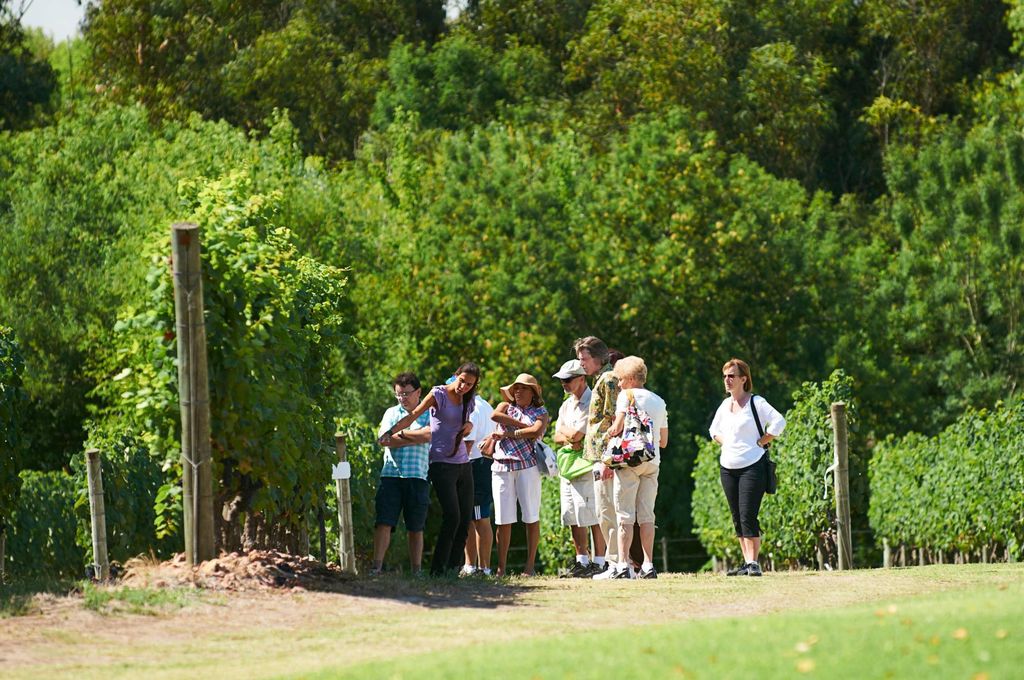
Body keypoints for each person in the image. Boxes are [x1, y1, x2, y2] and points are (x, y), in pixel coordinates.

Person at [379, 363, 480, 576]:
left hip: (462, 462)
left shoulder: (468, 399)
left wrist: (469, 426)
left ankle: (454, 568)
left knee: (465, 518)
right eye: (462, 381)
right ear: (456, 376)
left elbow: (467, 422)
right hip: (441, 463)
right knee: (452, 516)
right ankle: (437, 569)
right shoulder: (439, 394)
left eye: (469, 384)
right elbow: (413, 416)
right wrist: (390, 433)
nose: (464, 386)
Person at [709, 358, 786, 577]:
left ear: (744, 379)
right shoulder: (725, 405)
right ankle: (746, 562)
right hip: (728, 467)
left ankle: (754, 563)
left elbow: (779, 421)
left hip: (752, 465)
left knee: (748, 514)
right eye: (725, 376)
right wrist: (728, 443)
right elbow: (713, 430)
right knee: (736, 516)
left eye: (731, 376)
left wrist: (763, 441)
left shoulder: (756, 402)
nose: (727, 380)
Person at [604, 356, 668, 579]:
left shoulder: (626, 396)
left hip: (630, 462)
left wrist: (608, 432)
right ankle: (649, 564)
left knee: (624, 515)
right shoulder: (659, 401)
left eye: (621, 379)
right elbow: (663, 441)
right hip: (652, 462)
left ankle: (623, 565)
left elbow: (619, 426)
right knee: (647, 516)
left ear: (631, 379)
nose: (619, 384)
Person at [485, 373, 549, 577]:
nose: (518, 391)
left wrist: (509, 433)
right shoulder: (505, 406)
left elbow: (537, 431)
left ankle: (529, 567)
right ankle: (501, 568)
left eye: (523, 388)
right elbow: (495, 416)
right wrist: (524, 427)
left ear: (533, 392)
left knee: (531, 515)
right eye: (516, 388)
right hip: (501, 467)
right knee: (503, 518)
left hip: (528, 466)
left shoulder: (541, 411)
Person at [371, 373, 433, 575]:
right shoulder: (391, 413)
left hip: (417, 476)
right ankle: (376, 567)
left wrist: (400, 435)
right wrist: (415, 437)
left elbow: (430, 434)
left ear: (418, 392)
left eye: (406, 393)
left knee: (416, 526)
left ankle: (417, 571)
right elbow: (383, 440)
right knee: (384, 522)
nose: (402, 398)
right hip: (391, 475)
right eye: (398, 394)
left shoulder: (430, 413)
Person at [551, 359, 603, 578]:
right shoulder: (566, 404)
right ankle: (582, 561)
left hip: (587, 465)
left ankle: (600, 562)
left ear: (582, 378)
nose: (564, 383)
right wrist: (568, 434)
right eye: (562, 380)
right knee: (571, 515)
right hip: (569, 467)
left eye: (568, 379)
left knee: (592, 514)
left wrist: (567, 433)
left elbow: (576, 436)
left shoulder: (593, 401)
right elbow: (557, 436)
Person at [574, 336, 619, 579]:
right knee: (604, 511)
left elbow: (614, 420)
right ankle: (614, 564)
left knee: (608, 510)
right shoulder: (603, 378)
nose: (581, 363)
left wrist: (607, 460)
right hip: (599, 457)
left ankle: (615, 565)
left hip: (606, 458)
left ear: (599, 358)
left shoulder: (609, 380)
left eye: (584, 359)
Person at [462, 392, 496, 576]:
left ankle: (480, 567)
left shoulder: (472, 408)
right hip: (484, 462)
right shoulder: (486, 405)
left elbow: (468, 443)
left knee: (478, 517)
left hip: (475, 464)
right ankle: (475, 566)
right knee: (473, 516)